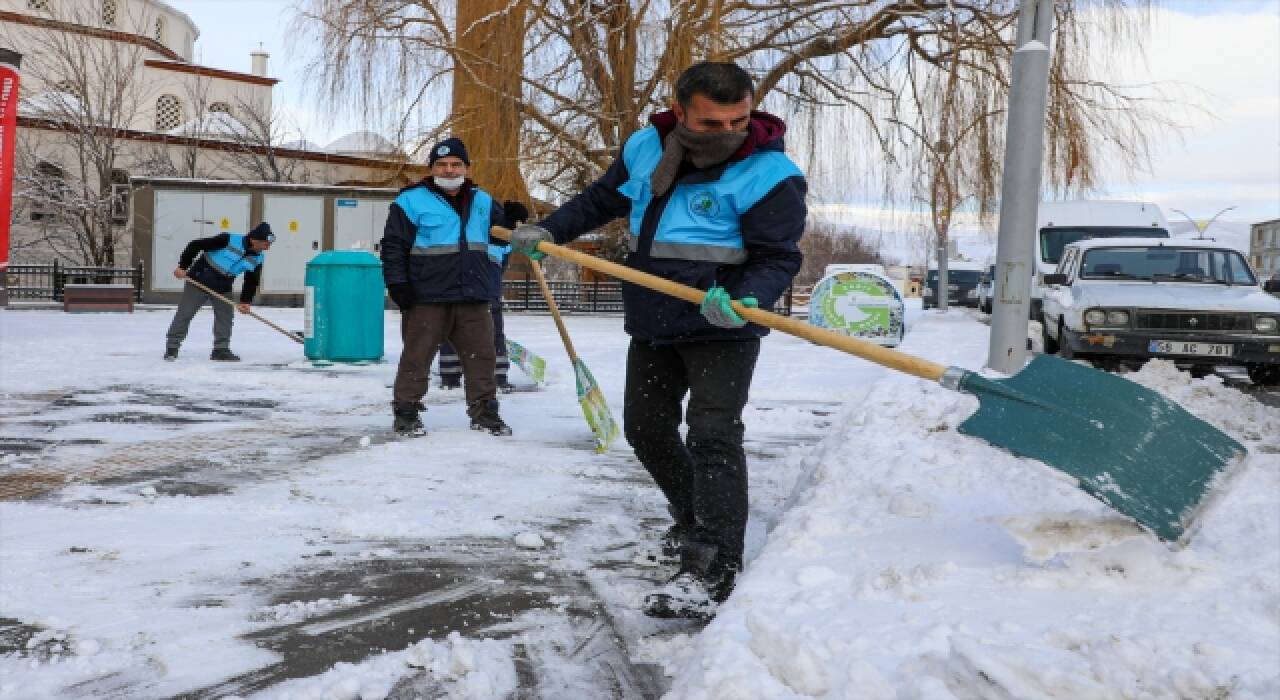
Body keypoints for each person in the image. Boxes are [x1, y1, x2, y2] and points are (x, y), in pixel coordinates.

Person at [512, 62, 806, 619]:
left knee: (713, 438)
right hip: (654, 321)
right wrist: (551, 229)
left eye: (739, 120)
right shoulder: (648, 147)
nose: (730, 132)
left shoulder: (771, 173)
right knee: (647, 430)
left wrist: (745, 297)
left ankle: (713, 568)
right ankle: (695, 519)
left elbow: (779, 257)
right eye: (713, 122)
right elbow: (602, 199)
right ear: (682, 111)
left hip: (723, 326)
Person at [381, 137, 527, 438]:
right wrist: (397, 284)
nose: (449, 170)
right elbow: (394, 246)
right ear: (432, 168)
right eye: (442, 165)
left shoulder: (484, 201)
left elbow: (500, 241)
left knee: (482, 358)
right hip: (426, 296)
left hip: (472, 295)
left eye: (455, 164)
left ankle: (485, 414)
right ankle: (406, 413)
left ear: (467, 167)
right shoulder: (410, 200)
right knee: (416, 357)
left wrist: (511, 222)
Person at [437, 202, 526, 392]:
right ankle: (492, 375)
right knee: (485, 331)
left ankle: (455, 376)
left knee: (460, 329)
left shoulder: (474, 229)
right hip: (478, 287)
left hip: (476, 288)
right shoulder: (489, 232)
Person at [165, 223, 275, 362]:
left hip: (223, 286)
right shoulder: (228, 239)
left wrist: (245, 301)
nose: (267, 248)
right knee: (185, 314)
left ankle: (221, 350)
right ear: (254, 240)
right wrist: (183, 266)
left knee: (226, 318)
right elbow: (195, 245)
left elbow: (251, 281)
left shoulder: (258, 258)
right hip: (199, 281)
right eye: (265, 244)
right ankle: (172, 348)